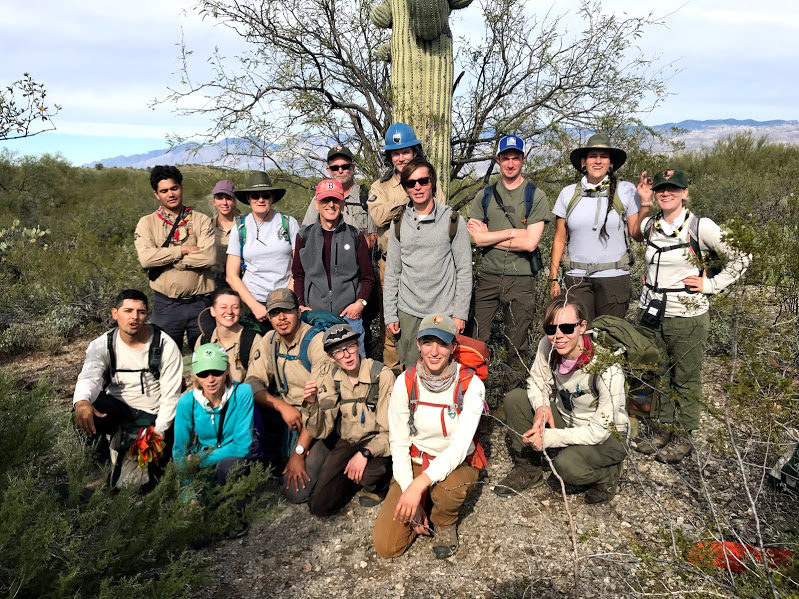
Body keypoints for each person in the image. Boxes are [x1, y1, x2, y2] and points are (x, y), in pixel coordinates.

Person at [633, 168, 751, 463]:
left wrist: (711, 285)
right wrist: (642, 200)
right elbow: (632, 231)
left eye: (673, 188)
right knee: (657, 374)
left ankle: (684, 435)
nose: (666, 192)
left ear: (685, 192)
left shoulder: (701, 226)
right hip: (651, 314)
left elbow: (743, 256)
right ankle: (661, 429)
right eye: (661, 188)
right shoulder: (651, 225)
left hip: (686, 315)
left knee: (684, 377)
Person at [494, 295, 629, 504]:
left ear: (582, 326)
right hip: (569, 418)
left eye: (566, 328)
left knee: (566, 467)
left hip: (607, 435)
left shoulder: (607, 369)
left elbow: (598, 432)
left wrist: (548, 438)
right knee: (515, 399)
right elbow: (538, 381)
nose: (558, 336)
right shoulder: (548, 347)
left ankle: (607, 475)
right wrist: (541, 408)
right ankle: (530, 469)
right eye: (551, 329)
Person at [372, 314, 486, 559]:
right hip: (415, 461)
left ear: (453, 347)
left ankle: (445, 520)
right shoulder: (405, 382)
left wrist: (419, 485)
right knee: (387, 546)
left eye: (442, 344)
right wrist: (408, 490)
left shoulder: (471, 385)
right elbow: (399, 442)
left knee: (447, 490)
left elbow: (458, 448)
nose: (434, 352)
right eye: (427, 342)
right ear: (418, 345)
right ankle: (424, 505)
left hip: (457, 463)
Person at [244, 288, 337, 503]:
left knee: (296, 492)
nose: (281, 318)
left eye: (287, 311)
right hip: (289, 415)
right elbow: (251, 384)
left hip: (319, 419)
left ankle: (334, 458)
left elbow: (324, 402)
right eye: (275, 313)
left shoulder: (316, 342)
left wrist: (298, 452)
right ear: (268, 317)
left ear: (297, 310)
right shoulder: (268, 340)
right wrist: (280, 406)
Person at [466, 135, 549, 372]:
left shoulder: (535, 195)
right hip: (487, 277)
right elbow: (473, 237)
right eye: (505, 158)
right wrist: (514, 233)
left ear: (523, 159)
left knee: (517, 343)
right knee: (477, 338)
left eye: (515, 158)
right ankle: (475, 389)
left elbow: (530, 244)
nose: (510, 164)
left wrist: (489, 237)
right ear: (498, 159)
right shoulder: (485, 196)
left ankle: (512, 395)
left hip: (521, 279)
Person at [384, 157, 472, 368]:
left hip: (444, 311)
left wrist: (460, 313)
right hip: (408, 311)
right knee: (411, 369)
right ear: (405, 188)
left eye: (423, 181)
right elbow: (392, 272)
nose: (418, 187)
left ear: (432, 182)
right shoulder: (398, 223)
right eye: (411, 183)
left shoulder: (452, 220)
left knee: (444, 370)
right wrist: (390, 314)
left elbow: (464, 269)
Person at [548, 133, 645, 323]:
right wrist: (553, 279)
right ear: (584, 162)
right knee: (579, 337)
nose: (598, 161)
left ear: (611, 163)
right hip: (576, 279)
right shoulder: (568, 194)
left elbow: (637, 234)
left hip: (614, 278)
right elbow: (559, 238)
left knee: (610, 337)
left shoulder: (626, 190)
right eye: (593, 156)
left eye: (604, 156)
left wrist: (646, 203)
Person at [304, 324, 395, 516]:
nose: (346, 355)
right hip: (347, 441)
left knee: (371, 474)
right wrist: (312, 405)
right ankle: (354, 477)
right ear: (330, 357)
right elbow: (322, 430)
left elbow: (391, 431)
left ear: (358, 345)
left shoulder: (381, 375)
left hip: (376, 442)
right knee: (320, 506)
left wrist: (365, 453)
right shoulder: (331, 378)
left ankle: (383, 482)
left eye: (350, 347)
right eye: (338, 351)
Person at [73, 289, 182, 446]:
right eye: (128, 311)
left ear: (148, 315)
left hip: (153, 412)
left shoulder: (165, 345)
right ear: (115, 313)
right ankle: (98, 463)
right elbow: (90, 377)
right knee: (83, 411)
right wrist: (82, 402)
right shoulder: (102, 344)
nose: (134, 317)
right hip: (116, 408)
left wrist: (158, 433)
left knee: (160, 463)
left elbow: (171, 395)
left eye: (141, 312)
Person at [134, 165, 216, 350]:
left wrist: (174, 261)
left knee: (207, 359)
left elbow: (209, 257)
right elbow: (147, 259)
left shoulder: (201, 220)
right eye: (164, 191)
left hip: (201, 303)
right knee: (164, 361)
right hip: (166, 305)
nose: (170, 194)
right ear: (156, 194)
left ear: (181, 188)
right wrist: (183, 250)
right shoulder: (147, 223)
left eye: (174, 188)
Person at [368, 123, 428, 370]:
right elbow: (379, 217)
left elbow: (442, 215)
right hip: (390, 264)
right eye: (396, 153)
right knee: (391, 325)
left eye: (405, 151)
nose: (401, 157)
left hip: (424, 264)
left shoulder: (429, 179)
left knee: (425, 324)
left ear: (415, 151)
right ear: (389, 157)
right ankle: (393, 381)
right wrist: (410, 193)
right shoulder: (379, 187)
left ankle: (423, 379)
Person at [292, 179, 375, 357]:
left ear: (343, 203)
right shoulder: (304, 236)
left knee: (355, 368)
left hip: (348, 317)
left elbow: (368, 277)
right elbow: (298, 275)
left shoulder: (355, 235)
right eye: (325, 200)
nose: (331, 204)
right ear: (317, 204)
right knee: (318, 368)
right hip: (315, 317)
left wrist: (360, 303)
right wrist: (301, 305)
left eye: (336, 200)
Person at [173, 343, 255, 486]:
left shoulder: (243, 393)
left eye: (216, 371)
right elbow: (180, 451)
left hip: (229, 459)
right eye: (203, 373)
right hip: (202, 462)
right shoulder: (186, 402)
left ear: (227, 370)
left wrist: (198, 460)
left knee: (230, 468)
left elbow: (241, 446)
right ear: (195, 375)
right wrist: (188, 493)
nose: (210, 379)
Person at [226, 171, 300, 327]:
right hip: (253, 303)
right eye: (255, 196)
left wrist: (286, 297)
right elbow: (231, 275)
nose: (260, 200)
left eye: (265, 195)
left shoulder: (288, 223)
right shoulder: (240, 228)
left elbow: (299, 267)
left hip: (285, 301)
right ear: (248, 198)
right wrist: (254, 306)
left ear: (272, 198)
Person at [301, 146, 378, 249]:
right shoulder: (320, 198)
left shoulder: (366, 196)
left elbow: (374, 236)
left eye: (345, 166)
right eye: (335, 168)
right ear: (329, 170)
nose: (340, 171)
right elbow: (306, 233)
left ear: (353, 167)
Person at [196, 288, 262, 383]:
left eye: (235, 307)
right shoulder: (204, 340)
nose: (229, 312)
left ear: (241, 311)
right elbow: (197, 379)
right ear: (213, 311)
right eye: (223, 307)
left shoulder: (253, 340)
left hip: (242, 396)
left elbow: (256, 382)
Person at [209, 179, 241, 288]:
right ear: (214, 201)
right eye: (220, 198)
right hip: (213, 280)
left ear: (234, 201)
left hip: (240, 280)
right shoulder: (207, 226)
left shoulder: (244, 226)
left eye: (228, 198)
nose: (224, 203)